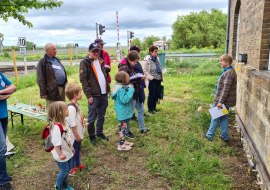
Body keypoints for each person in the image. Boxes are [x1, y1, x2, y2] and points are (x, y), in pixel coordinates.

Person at [79, 42, 110, 144]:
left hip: (103, 93)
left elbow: (104, 75)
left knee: (102, 115)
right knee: (92, 116)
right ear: (89, 52)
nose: (96, 53)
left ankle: (99, 132)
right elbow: (83, 81)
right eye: (94, 51)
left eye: (98, 51)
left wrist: (107, 89)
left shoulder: (100, 60)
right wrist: (89, 95)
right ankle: (92, 136)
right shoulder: (85, 62)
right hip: (94, 94)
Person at [205, 54, 237, 142]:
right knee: (223, 117)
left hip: (223, 101)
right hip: (224, 101)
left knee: (215, 116)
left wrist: (220, 102)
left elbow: (225, 89)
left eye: (221, 61)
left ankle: (209, 136)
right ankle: (225, 136)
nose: (220, 62)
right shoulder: (228, 71)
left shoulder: (229, 73)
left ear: (226, 62)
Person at [47, 101, 74, 190]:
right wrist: (60, 154)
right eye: (66, 109)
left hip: (68, 151)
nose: (68, 110)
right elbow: (56, 144)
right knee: (64, 171)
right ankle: (59, 187)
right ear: (60, 112)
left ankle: (65, 185)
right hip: (61, 154)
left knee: (68, 168)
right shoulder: (56, 127)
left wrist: (71, 147)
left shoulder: (65, 122)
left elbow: (67, 137)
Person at [125, 46, 149, 134]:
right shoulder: (124, 66)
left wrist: (140, 78)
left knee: (141, 109)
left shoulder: (133, 65)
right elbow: (124, 81)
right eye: (134, 62)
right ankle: (126, 131)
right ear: (130, 60)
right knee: (129, 112)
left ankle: (143, 128)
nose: (135, 63)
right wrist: (137, 78)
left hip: (138, 90)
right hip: (131, 93)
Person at [36, 43, 67, 109]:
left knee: (61, 107)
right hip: (52, 90)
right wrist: (43, 92)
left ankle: (60, 119)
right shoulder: (43, 62)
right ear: (48, 51)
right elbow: (40, 78)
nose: (56, 51)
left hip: (61, 88)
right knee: (52, 109)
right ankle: (51, 119)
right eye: (54, 49)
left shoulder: (56, 60)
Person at [65, 83, 86, 175]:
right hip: (75, 136)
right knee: (73, 151)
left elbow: (77, 119)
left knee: (77, 150)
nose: (82, 93)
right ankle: (71, 168)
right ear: (75, 95)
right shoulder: (71, 108)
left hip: (78, 134)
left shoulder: (76, 105)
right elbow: (72, 124)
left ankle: (77, 164)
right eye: (80, 92)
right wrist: (77, 135)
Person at [0, 72, 16, 190]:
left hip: (3, 114)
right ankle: (2, 180)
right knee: (2, 148)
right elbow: (8, 91)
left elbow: (13, 87)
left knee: (2, 146)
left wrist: (1, 93)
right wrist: (6, 92)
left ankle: (3, 175)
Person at [111, 71, 135, 151]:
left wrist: (127, 88)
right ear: (124, 79)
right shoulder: (120, 89)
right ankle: (121, 145)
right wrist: (131, 90)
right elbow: (125, 100)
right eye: (127, 77)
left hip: (124, 112)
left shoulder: (120, 87)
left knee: (124, 128)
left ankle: (123, 141)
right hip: (123, 113)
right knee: (122, 129)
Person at [143, 45, 163, 114]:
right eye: (155, 51)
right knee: (152, 94)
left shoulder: (157, 59)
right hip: (152, 80)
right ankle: (150, 109)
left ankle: (154, 108)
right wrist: (151, 77)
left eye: (157, 51)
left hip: (158, 79)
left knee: (156, 94)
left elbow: (159, 68)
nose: (157, 53)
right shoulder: (147, 60)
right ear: (151, 52)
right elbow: (144, 71)